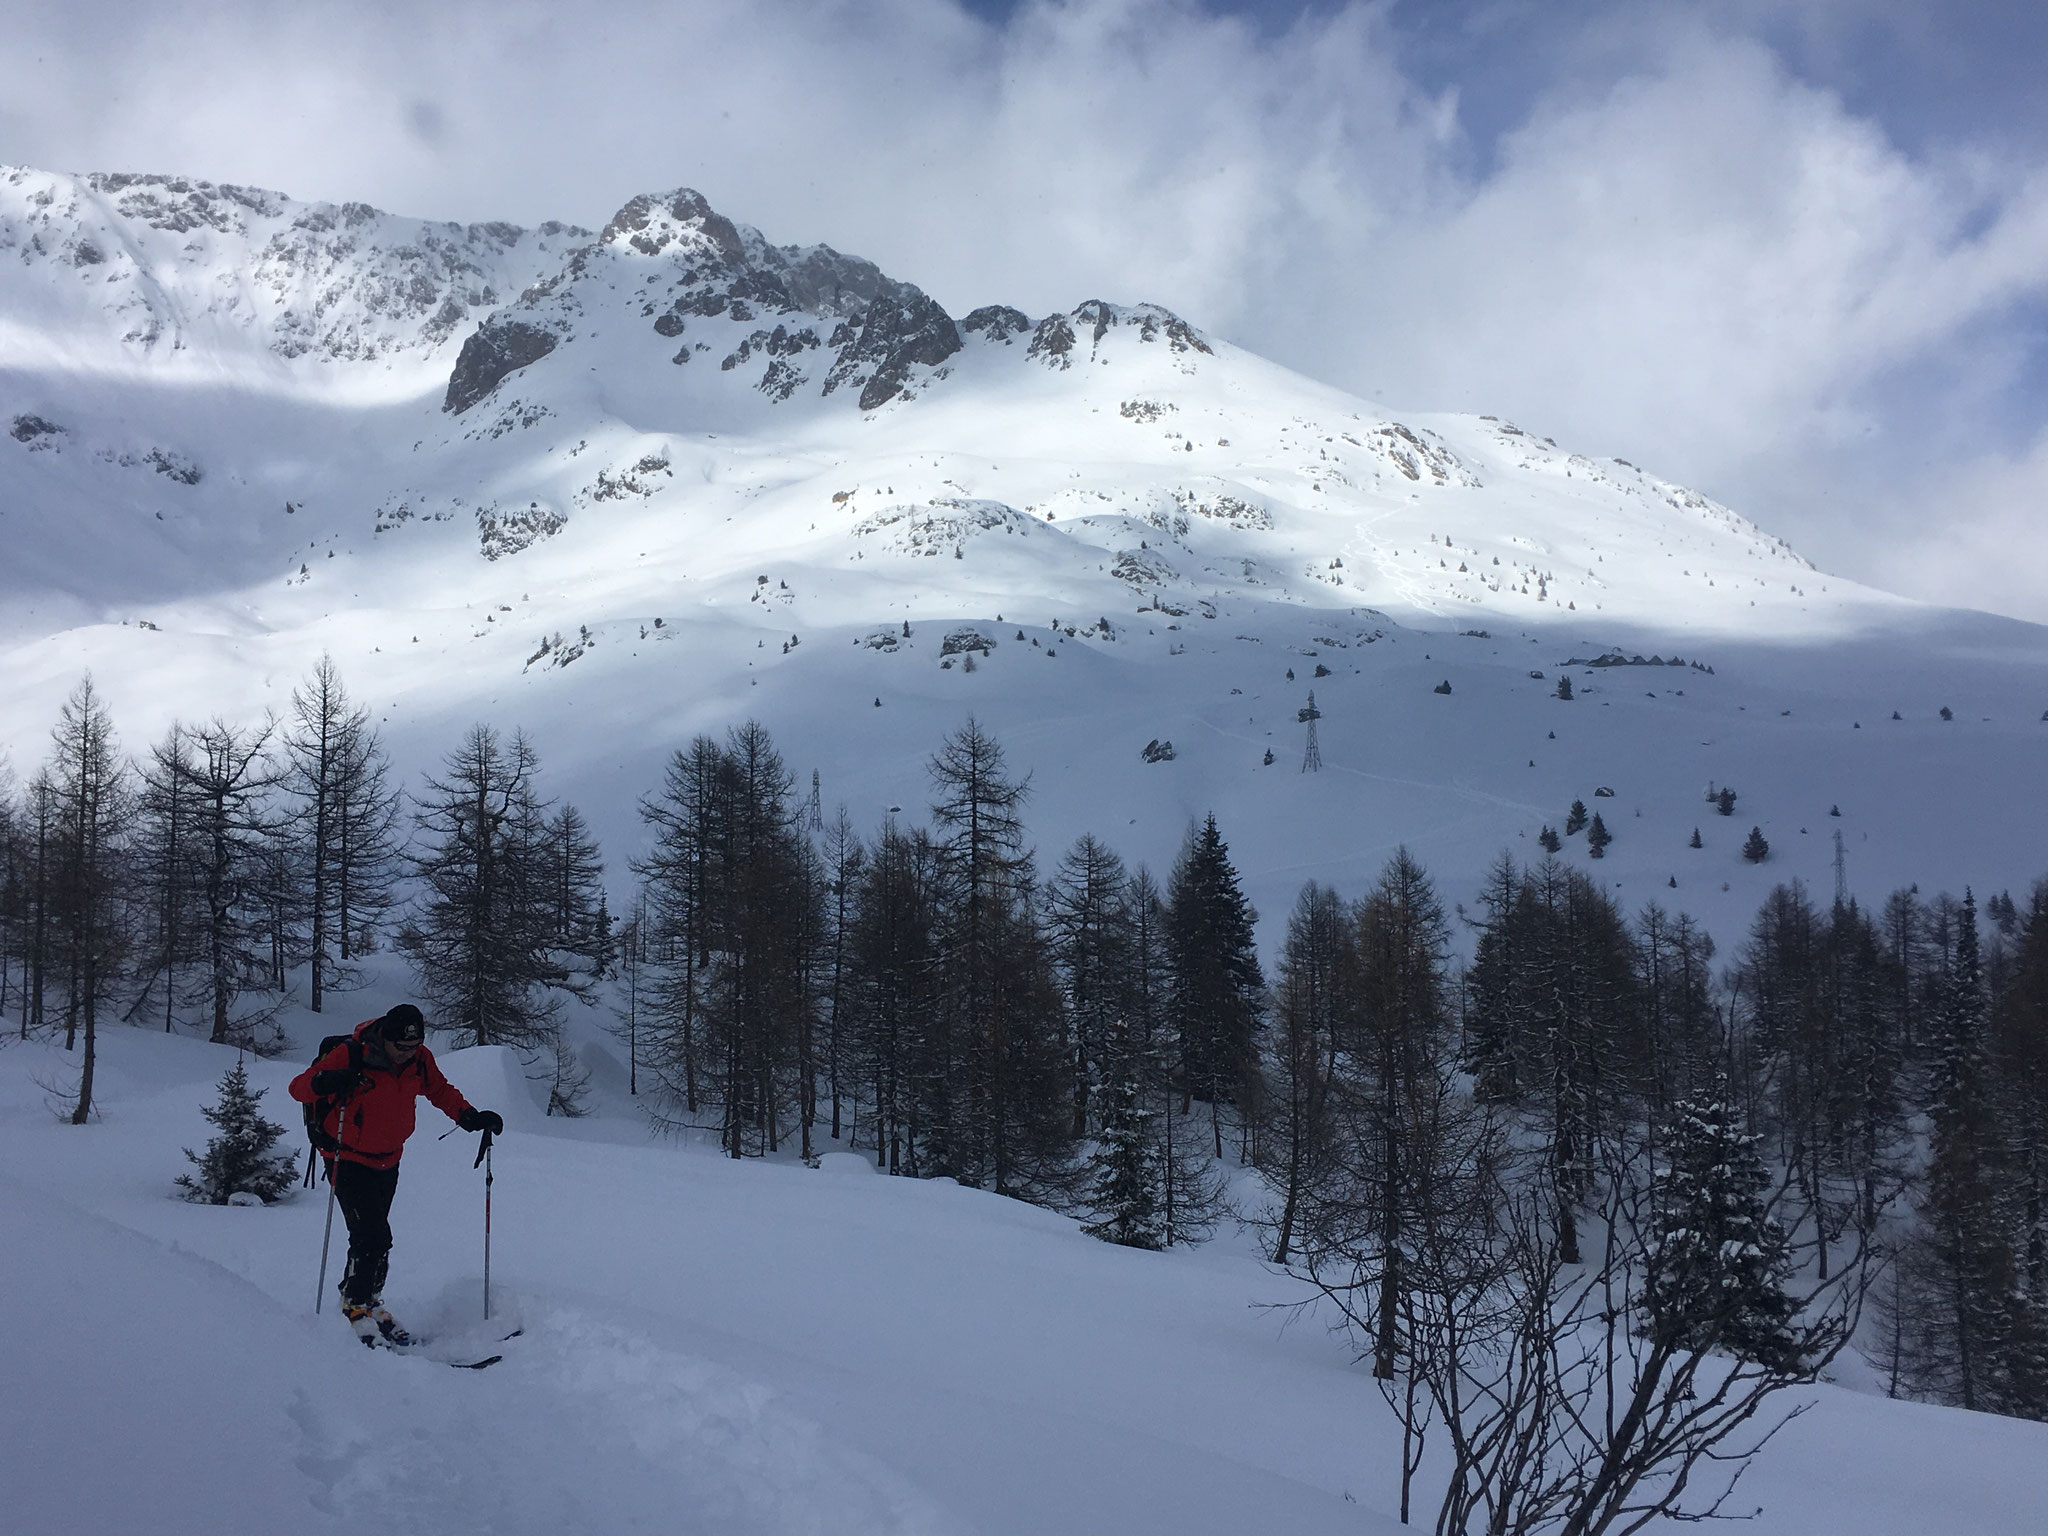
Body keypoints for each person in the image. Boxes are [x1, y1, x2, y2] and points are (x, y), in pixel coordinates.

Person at [289, 1004, 503, 1348]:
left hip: (388, 1158)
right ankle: (354, 1304)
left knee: (377, 1236)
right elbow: (298, 1088)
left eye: (414, 1046)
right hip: (346, 1157)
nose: (408, 1053)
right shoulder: (352, 1054)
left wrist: (469, 1116)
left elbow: (439, 1090)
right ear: (385, 1038)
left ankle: (368, 1299)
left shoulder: (419, 1059)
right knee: (370, 1234)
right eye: (402, 1047)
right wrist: (326, 1080)